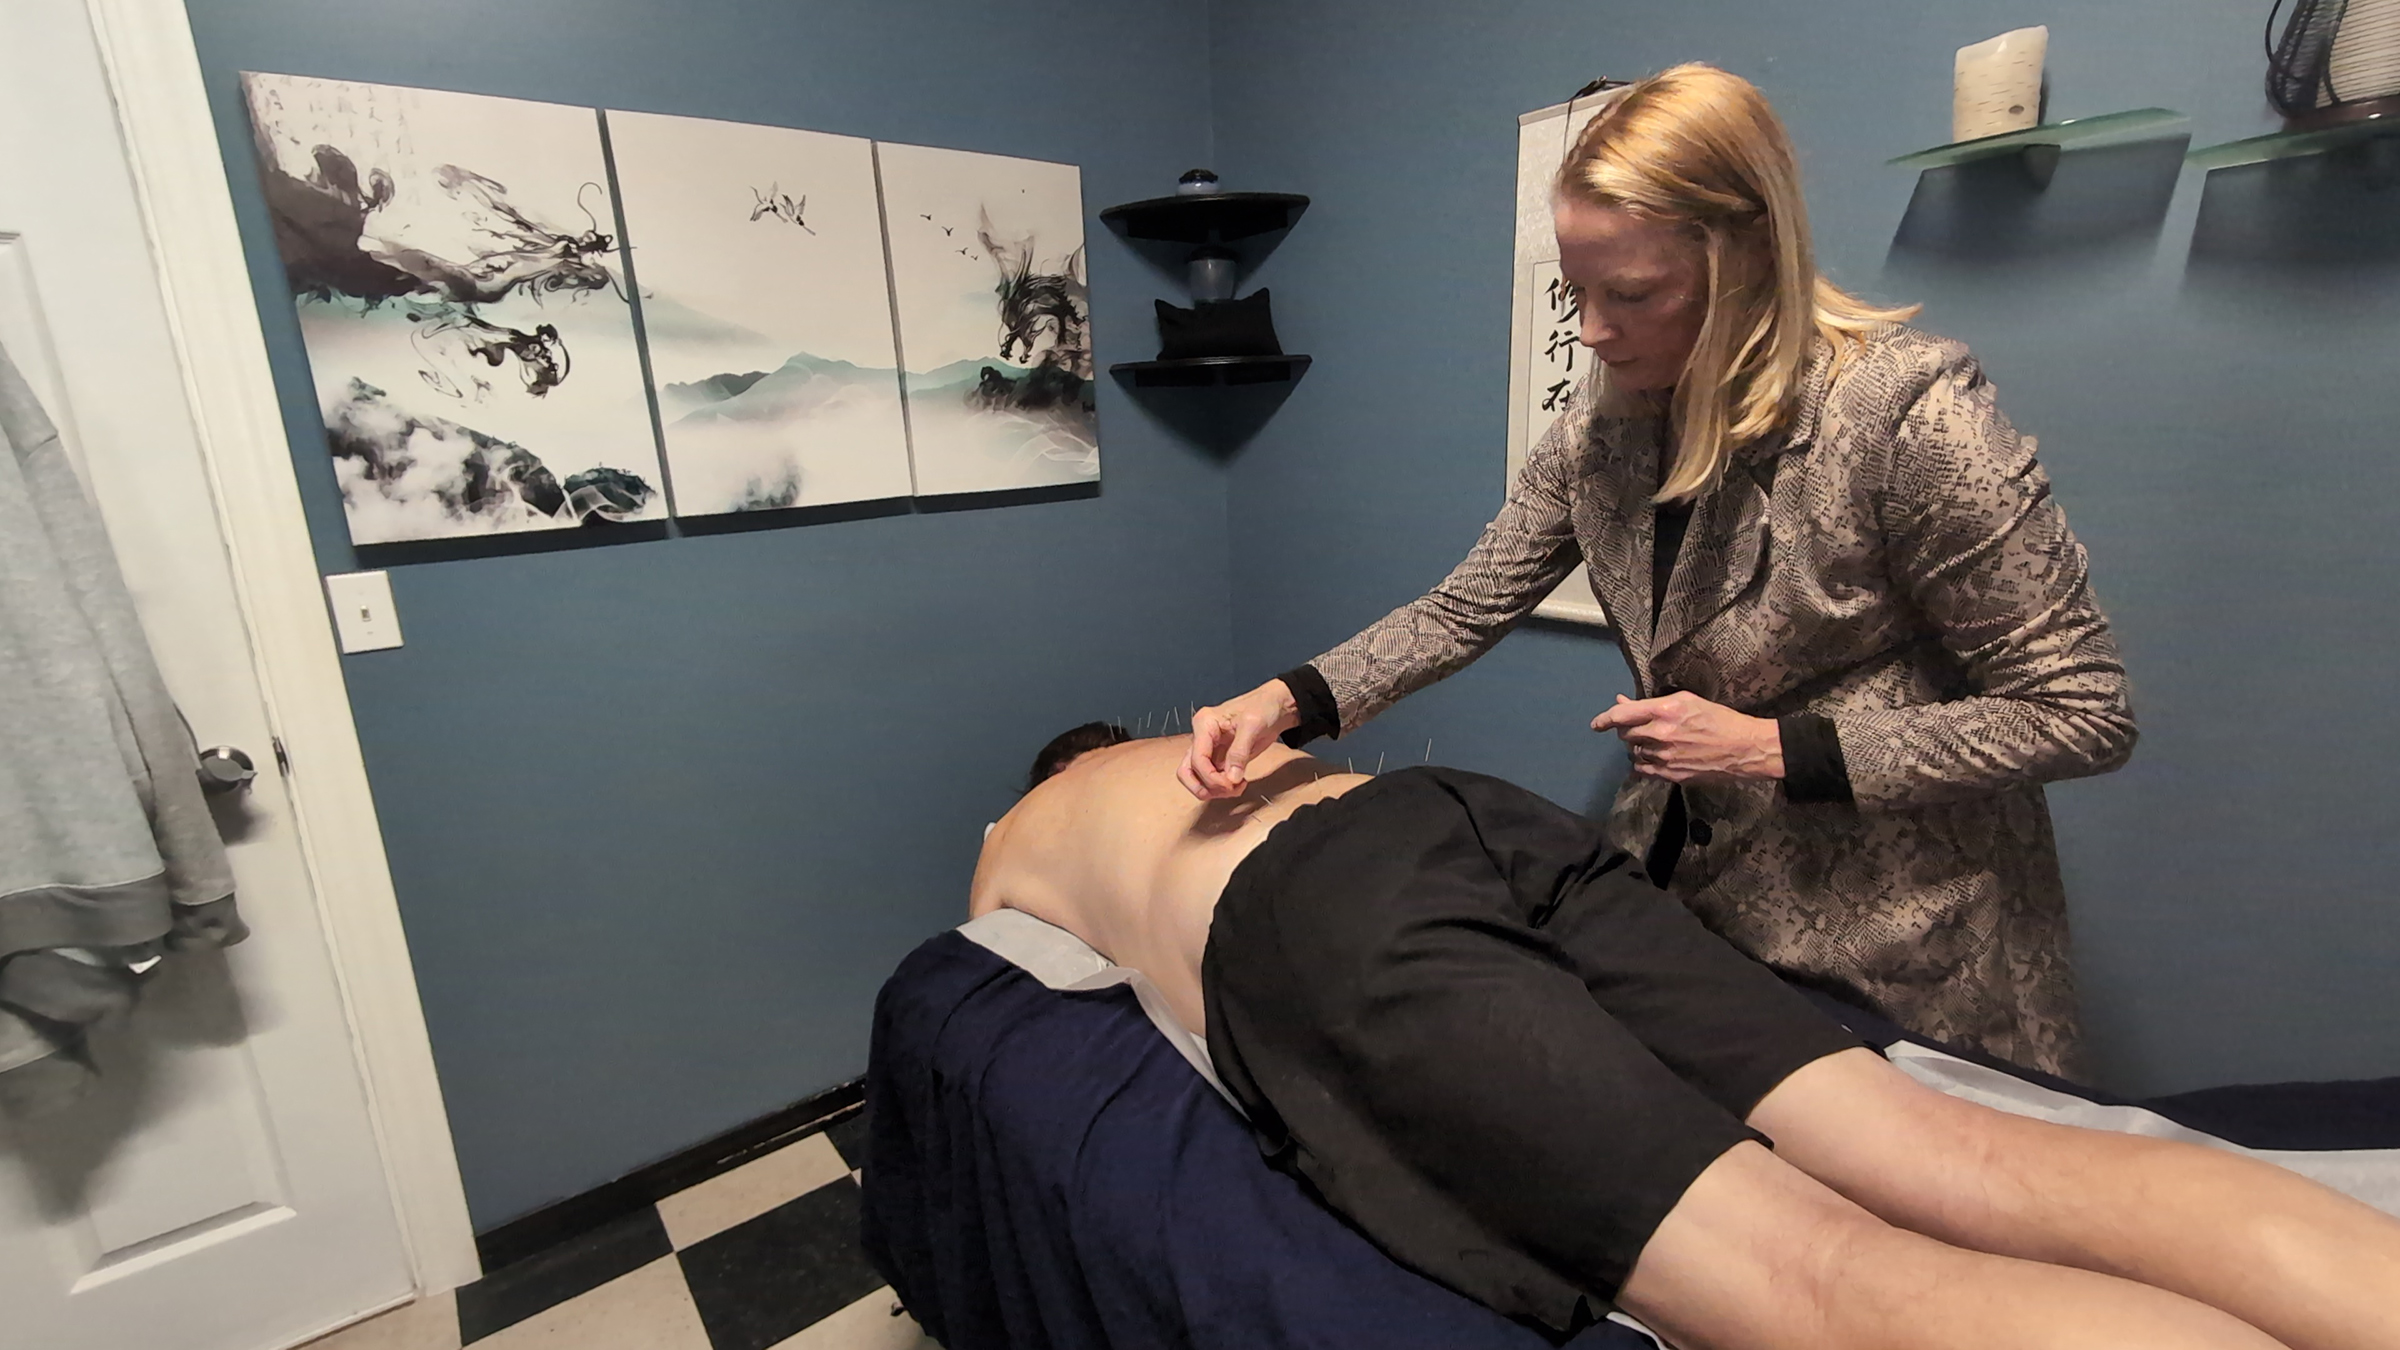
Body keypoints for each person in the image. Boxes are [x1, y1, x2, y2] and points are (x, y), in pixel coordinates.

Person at [1178, 63, 2135, 1078]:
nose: (1592, 330)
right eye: (1576, 293)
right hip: (1697, 917)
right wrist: (1287, 700)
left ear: (1750, 255)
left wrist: (1775, 749)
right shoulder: (1604, 431)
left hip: (1913, 950)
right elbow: (1465, 610)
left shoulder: (1908, 414)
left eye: (1630, 294)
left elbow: (2082, 711)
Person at [978, 726, 2400, 1350]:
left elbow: (979, 964)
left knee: (1822, 1272)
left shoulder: (1034, 823)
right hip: (1461, 806)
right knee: (1959, 1148)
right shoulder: (1232, 750)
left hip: (1319, 904)